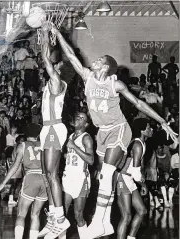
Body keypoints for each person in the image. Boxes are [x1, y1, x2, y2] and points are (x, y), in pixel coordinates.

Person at [51, 24, 177, 238]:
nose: (96, 60)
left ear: (106, 67)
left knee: (108, 172)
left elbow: (138, 103)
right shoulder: (88, 76)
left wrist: (162, 120)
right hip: (102, 132)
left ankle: (99, 223)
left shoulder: (114, 84)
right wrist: (58, 34)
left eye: (100, 59)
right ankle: (107, 222)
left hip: (119, 129)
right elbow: (72, 56)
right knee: (104, 177)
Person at [38, 22, 70, 239]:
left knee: (52, 174)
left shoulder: (57, 81)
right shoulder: (53, 81)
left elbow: (45, 60)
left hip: (53, 128)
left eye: (53, 64)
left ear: (57, 67)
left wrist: (44, 35)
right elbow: (46, 61)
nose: (50, 66)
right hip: (47, 129)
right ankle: (53, 217)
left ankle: (60, 219)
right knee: (46, 175)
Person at [0, 123, 47, 239]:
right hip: (45, 179)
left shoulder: (23, 145)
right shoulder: (44, 145)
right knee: (35, 214)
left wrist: (3, 183)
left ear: (26, 134)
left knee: (21, 214)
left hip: (31, 177)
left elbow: (15, 166)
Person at [116, 118, 152, 239]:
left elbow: (138, 170)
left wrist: (142, 183)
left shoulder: (143, 144)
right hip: (122, 178)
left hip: (129, 178)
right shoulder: (137, 145)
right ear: (142, 130)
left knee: (142, 211)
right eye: (148, 127)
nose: (151, 129)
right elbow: (136, 172)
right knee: (126, 216)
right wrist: (144, 186)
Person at [62, 112, 94, 239]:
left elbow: (91, 160)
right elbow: (70, 157)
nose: (77, 118)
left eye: (82, 118)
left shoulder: (86, 138)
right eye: (77, 116)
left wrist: (74, 147)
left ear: (86, 124)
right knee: (62, 213)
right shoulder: (71, 136)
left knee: (78, 215)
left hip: (80, 179)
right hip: (68, 177)